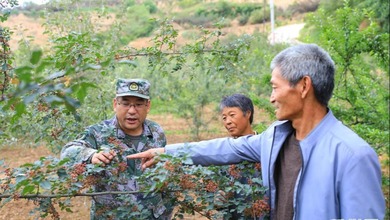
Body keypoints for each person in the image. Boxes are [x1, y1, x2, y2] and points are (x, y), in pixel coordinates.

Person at [127, 44, 386, 219]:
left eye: (275, 87)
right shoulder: (275, 138)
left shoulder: (352, 156)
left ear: (304, 86)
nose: (271, 98)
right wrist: (167, 152)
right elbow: (225, 148)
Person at [61, 78, 172, 220]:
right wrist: (91, 155)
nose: (132, 111)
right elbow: (67, 151)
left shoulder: (156, 132)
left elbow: (165, 176)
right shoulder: (99, 133)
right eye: (125, 103)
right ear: (115, 104)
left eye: (138, 104)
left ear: (148, 106)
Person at [218, 94, 264, 219]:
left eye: (232, 115)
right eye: (224, 117)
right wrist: (219, 197)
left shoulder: (265, 149)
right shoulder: (222, 154)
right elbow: (216, 193)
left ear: (248, 114)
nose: (228, 122)